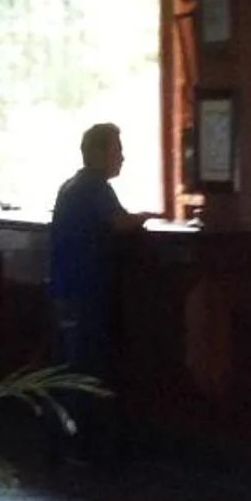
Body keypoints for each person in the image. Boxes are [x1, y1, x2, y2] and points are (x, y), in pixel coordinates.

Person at [48, 124, 145, 451]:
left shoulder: (69, 187)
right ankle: (81, 443)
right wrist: (143, 218)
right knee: (85, 371)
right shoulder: (94, 188)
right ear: (98, 153)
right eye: (117, 150)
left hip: (66, 290)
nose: (122, 157)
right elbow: (120, 223)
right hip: (87, 293)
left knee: (70, 367)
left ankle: (65, 441)